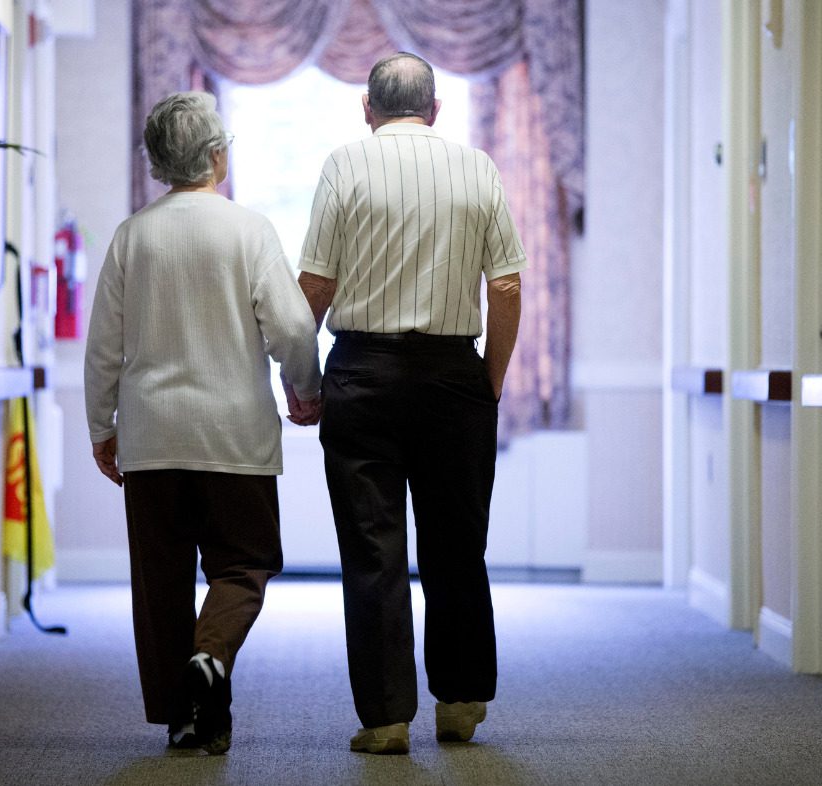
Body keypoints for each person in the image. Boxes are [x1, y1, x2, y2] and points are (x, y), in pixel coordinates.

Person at [293, 52, 526, 754]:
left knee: (373, 550)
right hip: (454, 375)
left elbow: (314, 287)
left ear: (367, 108)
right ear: (435, 109)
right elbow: (508, 289)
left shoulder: (345, 165)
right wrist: (490, 379)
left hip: (363, 371)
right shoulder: (477, 167)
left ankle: (387, 718)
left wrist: (305, 382)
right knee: (458, 545)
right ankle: (459, 704)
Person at [84, 91, 322, 755]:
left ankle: (185, 717)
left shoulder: (133, 236)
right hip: (233, 436)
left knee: (160, 582)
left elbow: (104, 344)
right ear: (217, 155)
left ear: (160, 162)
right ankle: (211, 656)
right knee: (245, 566)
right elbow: (294, 328)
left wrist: (101, 425)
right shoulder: (248, 230)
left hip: (153, 436)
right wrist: (305, 388)